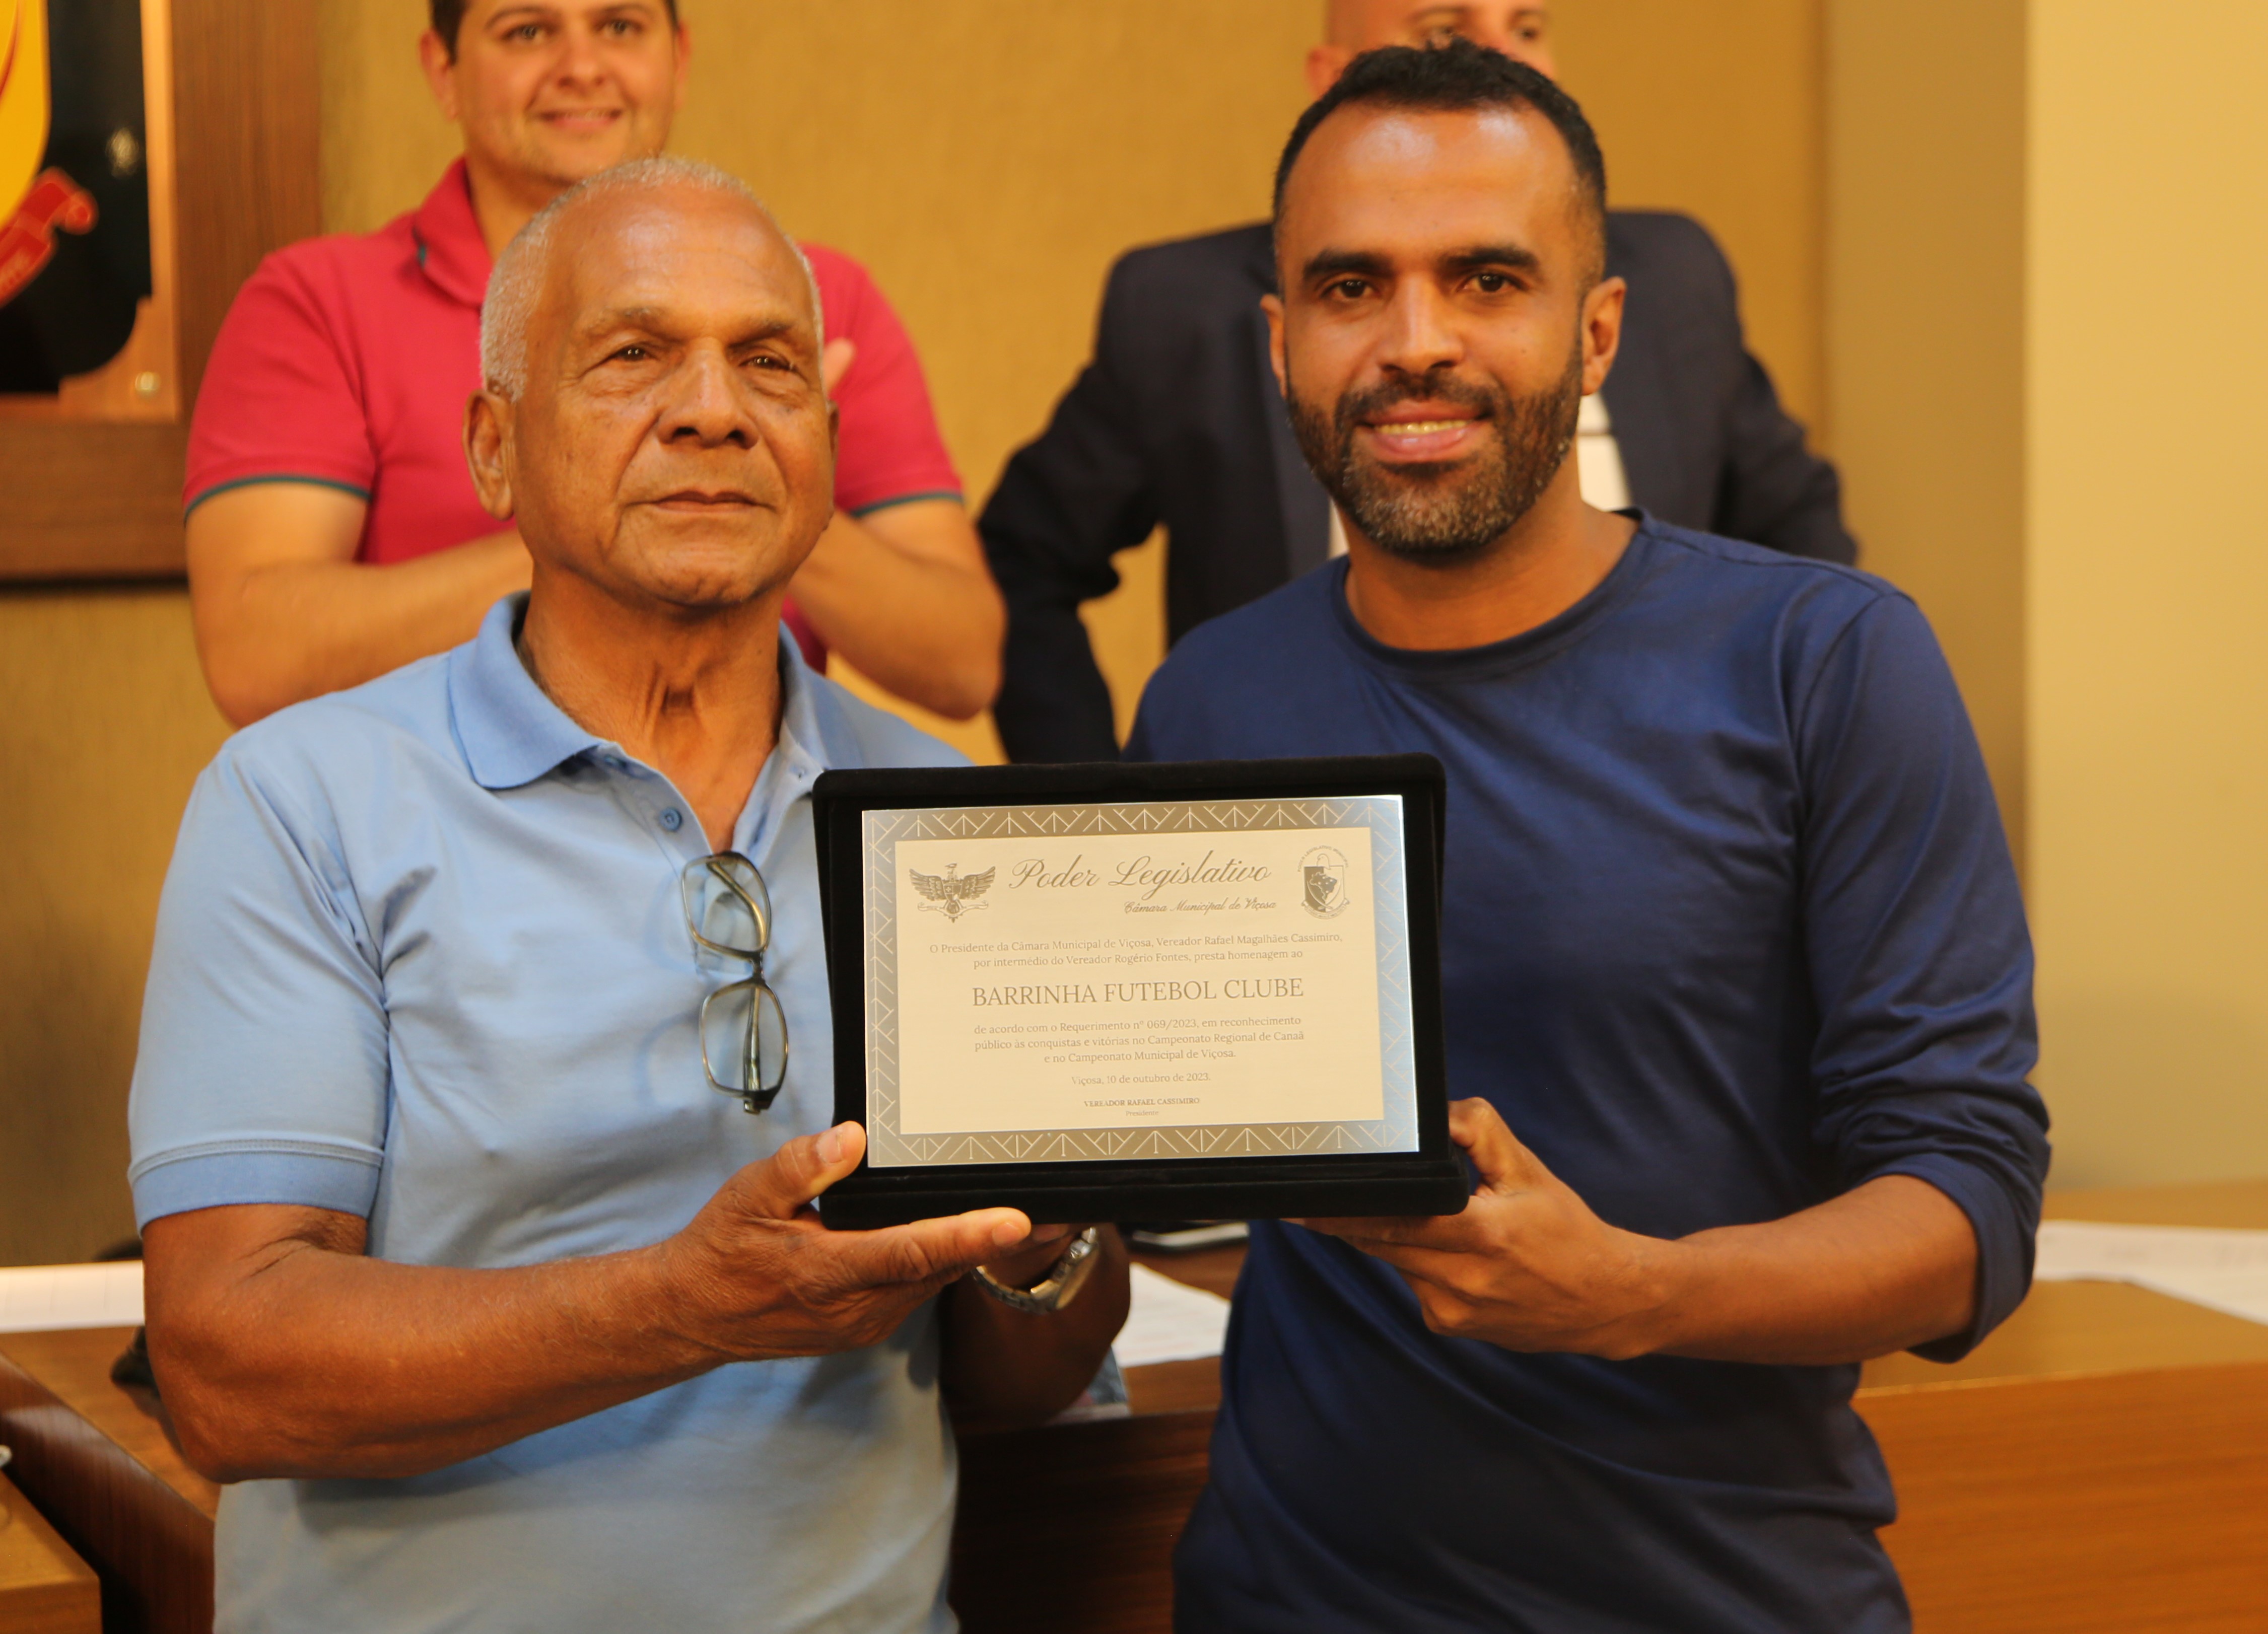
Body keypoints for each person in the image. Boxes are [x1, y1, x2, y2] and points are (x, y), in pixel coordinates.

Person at [131, 158, 1126, 1633]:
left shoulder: (953, 815)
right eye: (633, 355)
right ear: (495, 449)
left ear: (826, 446)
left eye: (769, 363)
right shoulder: (303, 802)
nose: (713, 409)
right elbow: (227, 1372)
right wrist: (683, 1303)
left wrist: (1046, 1250)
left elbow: (1029, 1375)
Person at [1126, 43, 2046, 1632]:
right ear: (1281, 343)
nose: (1417, 342)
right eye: (1352, 287)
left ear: (1598, 329)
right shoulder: (1210, 696)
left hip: (1719, 1596)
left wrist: (1634, 1292)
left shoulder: (1825, 661)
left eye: (1488, 279)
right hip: (1291, 1595)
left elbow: (1969, 1205)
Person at [983, 0, 1854, 762]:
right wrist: (1102, 818)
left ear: (1600, 333)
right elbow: (1023, 563)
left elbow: (1795, 523)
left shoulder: (1681, 276)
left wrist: (1798, 721)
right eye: (1443, 32)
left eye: (1527, 27)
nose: (1419, 345)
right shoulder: (1178, 315)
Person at [185, 0, 1000, 728]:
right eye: (527, 31)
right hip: (437, 830)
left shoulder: (814, 301)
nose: (581, 66)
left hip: (755, 824)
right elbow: (258, 659)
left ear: (678, 60)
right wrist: (624, 515)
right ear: (443, 70)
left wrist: (761, 480)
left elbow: (962, 662)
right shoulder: (319, 302)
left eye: (619, 25)